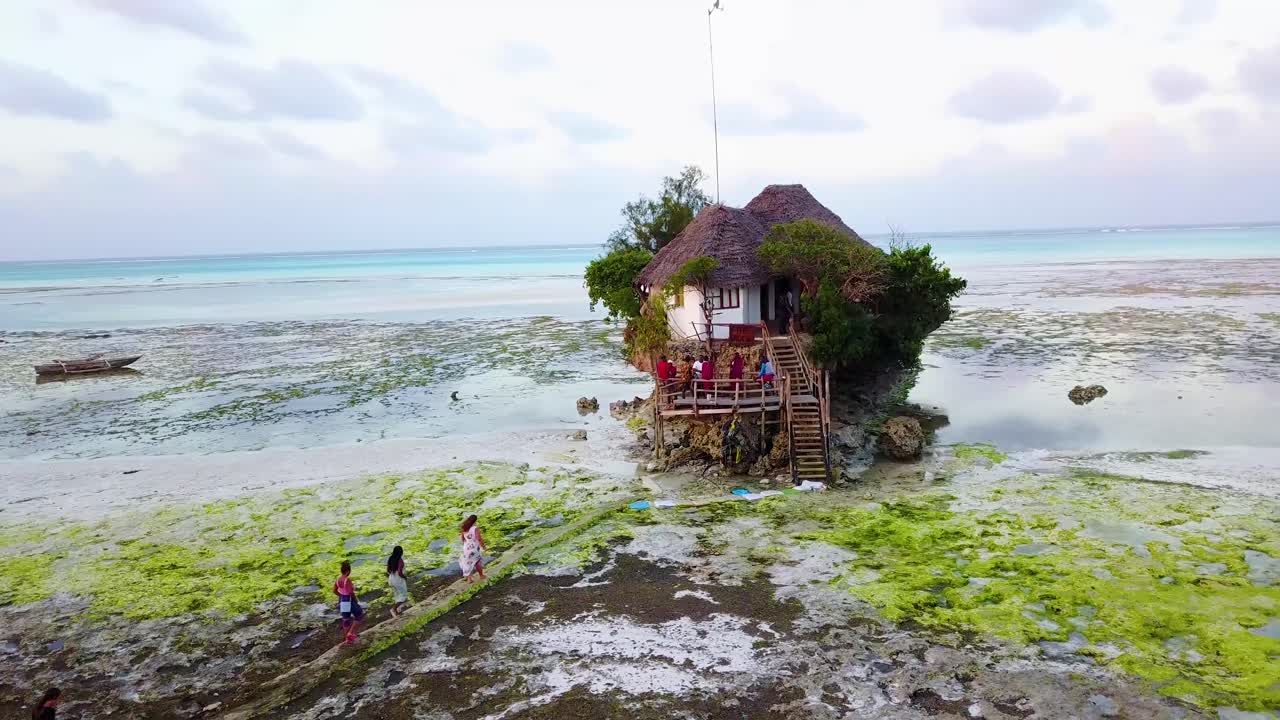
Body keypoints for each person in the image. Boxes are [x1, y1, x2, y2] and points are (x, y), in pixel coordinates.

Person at [334, 560, 364, 644]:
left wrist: (341, 596)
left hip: (342, 600)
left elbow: (334, 590)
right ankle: (350, 633)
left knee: (346, 619)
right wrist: (355, 599)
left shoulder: (338, 579)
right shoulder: (347, 580)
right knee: (359, 615)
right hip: (349, 600)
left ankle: (347, 639)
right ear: (348, 571)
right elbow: (350, 592)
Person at [460, 514, 487, 582]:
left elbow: (462, 539)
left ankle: (469, 579)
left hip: (466, 547)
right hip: (474, 548)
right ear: (475, 521)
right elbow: (479, 539)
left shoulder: (464, 528)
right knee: (477, 561)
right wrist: (483, 546)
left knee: (467, 563)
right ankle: (481, 575)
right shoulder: (475, 528)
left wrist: (466, 544)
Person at [386, 545, 409, 618]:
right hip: (398, 580)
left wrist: (393, 574)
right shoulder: (400, 560)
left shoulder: (390, 558)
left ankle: (398, 611)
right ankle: (393, 609)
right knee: (403, 596)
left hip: (391, 578)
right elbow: (399, 572)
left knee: (397, 595)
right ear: (401, 552)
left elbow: (388, 570)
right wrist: (405, 577)